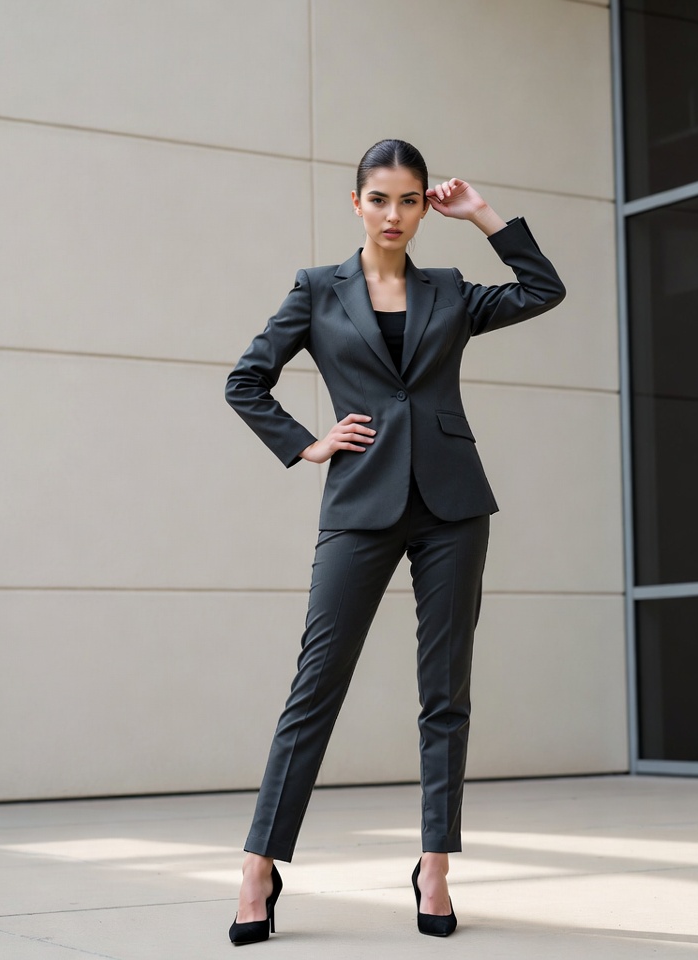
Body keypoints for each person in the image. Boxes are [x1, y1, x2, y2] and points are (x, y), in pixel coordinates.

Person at [224, 139, 565, 945]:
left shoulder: (449, 290)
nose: (394, 214)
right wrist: (305, 441)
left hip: (452, 506)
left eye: (409, 200)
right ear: (357, 204)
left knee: (445, 694)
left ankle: (435, 864)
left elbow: (543, 289)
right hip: (360, 500)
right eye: (380, 199)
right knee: (316, 687)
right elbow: (246, 379)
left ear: (423, 208)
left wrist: (481, 215)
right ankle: (259, 867)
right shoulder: (317, 289)